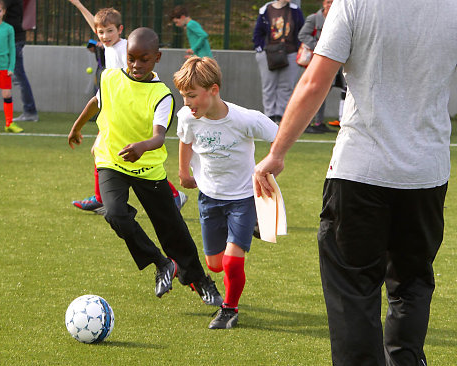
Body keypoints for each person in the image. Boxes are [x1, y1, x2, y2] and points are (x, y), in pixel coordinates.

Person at [254, 0, 457, 364]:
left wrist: (277, 152)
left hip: (360, 173)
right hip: (427, 174)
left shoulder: (355, 4)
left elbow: (315, 81)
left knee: (353, 292)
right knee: (412, 285)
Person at [68, 27, 223, 307]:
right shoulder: (110, 78)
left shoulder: (162, 95)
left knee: (172, 230)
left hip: (147, 168)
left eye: (144, 59)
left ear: (157, 58)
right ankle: (161, 263)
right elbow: (96, 102)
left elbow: (159, 136)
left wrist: (142, 147)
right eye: (131, 58)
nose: (136, 65)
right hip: (111, 162)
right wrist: (77, 127)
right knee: (115, 214)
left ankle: (200, 281)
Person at [173, 57, 278, 329]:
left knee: (232, 262)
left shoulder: (245, 119)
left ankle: (229, 309)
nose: (187, 103)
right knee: (215, 265)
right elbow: (185, 140)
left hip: (243, 198)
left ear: (214, 90)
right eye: (184, 96)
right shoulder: (188, 117)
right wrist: (184, 172)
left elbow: (279, 136)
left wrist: (271, 164)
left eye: (192, 96)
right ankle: (244, 234)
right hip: (209, 197)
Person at [68, 3, 188, 214]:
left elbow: (140, 66)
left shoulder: (125, 48)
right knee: (101, 151)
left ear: (120, 30)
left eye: (110, 31)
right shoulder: (109, 46)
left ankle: (172, 195)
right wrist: (79, 5)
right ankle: (101, 198)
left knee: (133, 160)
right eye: (101, 32)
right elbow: (95, 25)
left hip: (128, 104)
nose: (104, 36)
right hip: (114, 102)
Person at [0, 0, 37, 122]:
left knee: (18, 76)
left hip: (12, 41)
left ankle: (30, 111)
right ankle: (30, 110)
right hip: (5, 41)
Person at [252, 0, 304, 124]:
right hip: (269, 53)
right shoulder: (265, 9)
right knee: (269, 85)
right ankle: (269, 115)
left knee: (286, 86)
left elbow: (301, 31)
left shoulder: (295, 10)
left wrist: (299, 49)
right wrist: (259, 48)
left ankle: (281, 115)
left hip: (290, 53)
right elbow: (258, 32)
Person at [298, 0, 333, 134]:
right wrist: (319, 47)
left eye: (333, 2)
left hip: (332, 60)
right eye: (328, 2)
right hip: (315, 60)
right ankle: (307, 123)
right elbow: (302, 35)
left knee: (325, 92)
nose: (330, 5)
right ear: (323, 4)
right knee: (314, 91)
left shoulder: (339, 17)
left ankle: (319, 122)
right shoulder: (313, 18)